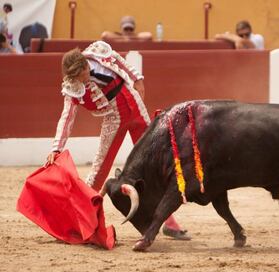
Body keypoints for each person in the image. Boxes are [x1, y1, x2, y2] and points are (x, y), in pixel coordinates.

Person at [46, 41, 190, 240]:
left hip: (134, 104)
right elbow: (67, 116)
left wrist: (137, 78)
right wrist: (56, 148)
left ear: (86, 64)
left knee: (154, 163)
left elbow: (119, 61)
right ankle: (78, 218)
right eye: (80, 77)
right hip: (114, 117)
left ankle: (169, 222)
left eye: (85, 73)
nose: (85, 79)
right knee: (99, 170)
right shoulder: (73, 86)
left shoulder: (97, 55)